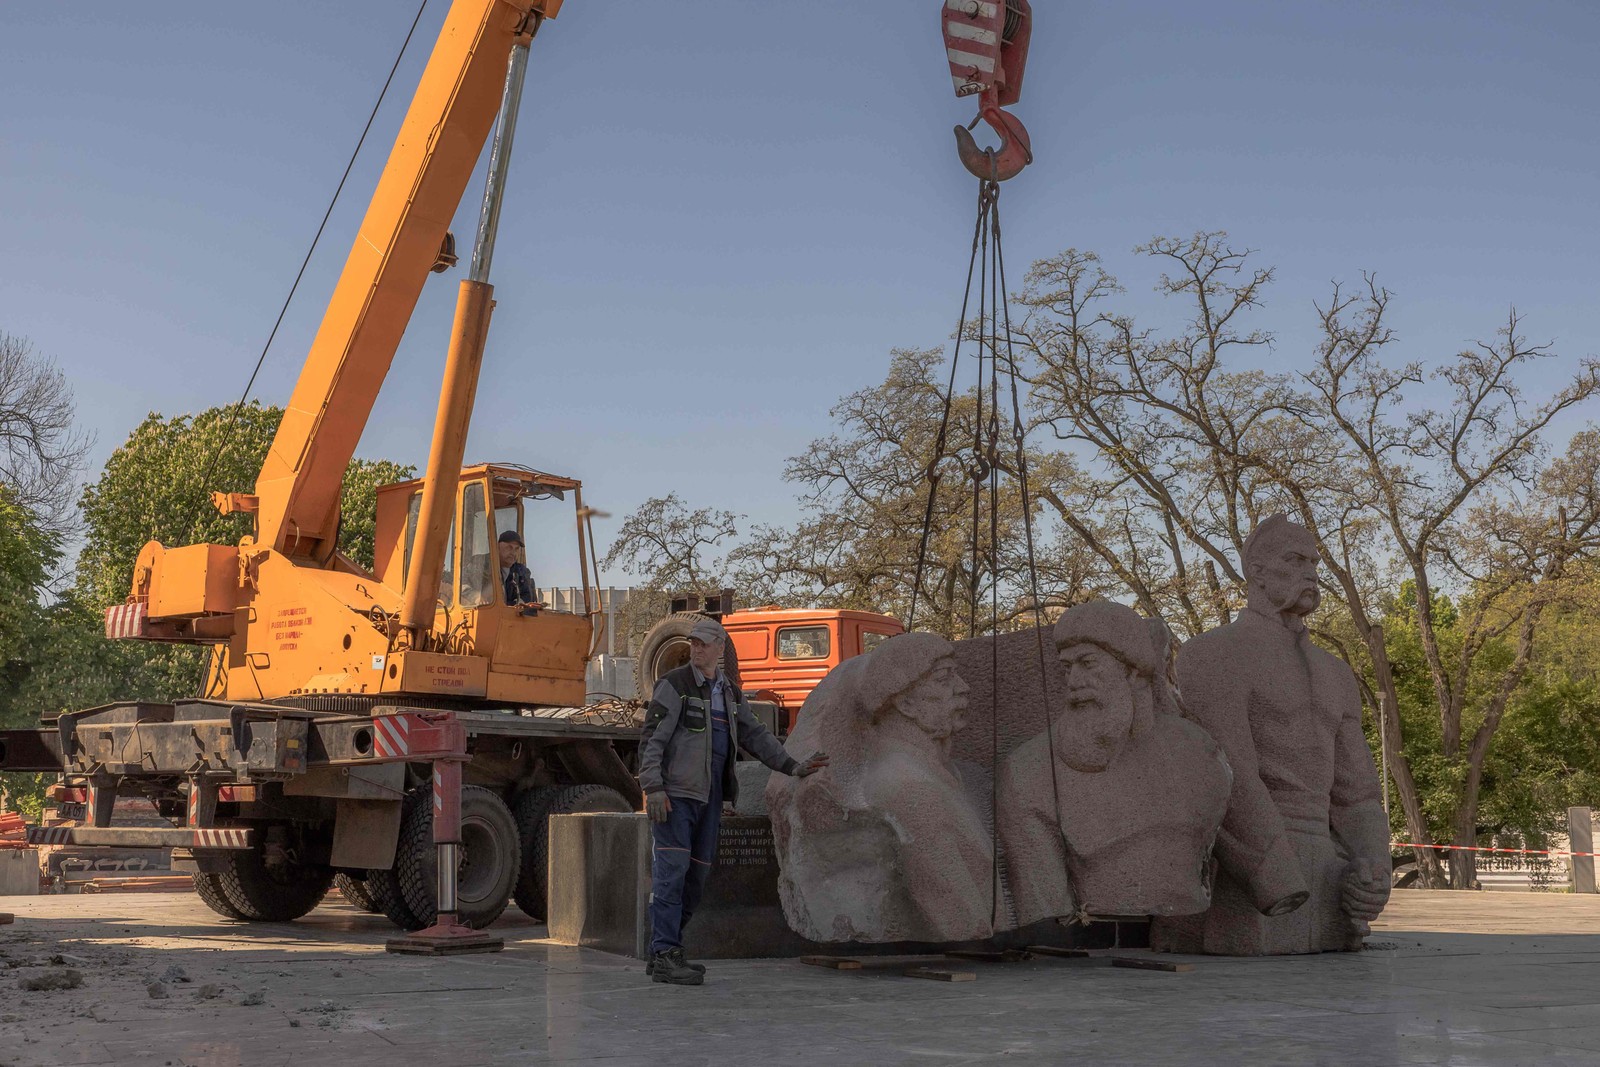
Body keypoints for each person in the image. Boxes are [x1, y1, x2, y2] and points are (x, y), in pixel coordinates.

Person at [1151, 514, 1391, 955]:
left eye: (1315, 563)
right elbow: (1230, 774)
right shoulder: (1214, 654)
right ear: (1255, 572)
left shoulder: (1336, 674)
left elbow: (1358, 794)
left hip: (1330, 882)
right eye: (1295, 559)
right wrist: (1276, 874)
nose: (1311, 572)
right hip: (1251, 881)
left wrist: (1374, 865)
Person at [997, 601, 1232, 924]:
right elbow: (1043, 909)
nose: (1073, 681)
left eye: (1088, 663)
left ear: (1133, 671)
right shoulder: (1029, 770)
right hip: (1088, 950)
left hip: (1184, 931)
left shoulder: (1196, 748)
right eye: (1067, 668)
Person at [766, 632, 994, 943]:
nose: (963, 688)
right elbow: (960, 915)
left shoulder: (943, 773)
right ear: (905, 702)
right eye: (944, 678)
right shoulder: (908, 786)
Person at [638, 617, 828, 985]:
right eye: (693, 643)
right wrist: (654, 788)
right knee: (671, 877)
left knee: (696, 879)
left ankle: (666, 949)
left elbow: (756, 736)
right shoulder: (673, 685)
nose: (695, 648)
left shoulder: (730, 693)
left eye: (703, 644)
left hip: (709, 799)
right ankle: (664, 954)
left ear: (720, 649)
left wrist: (793, 766)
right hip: (675, 798)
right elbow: (651, 741)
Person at [497, 530, 539, 610]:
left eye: (516, 549)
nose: (513, 552)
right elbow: (465, 586)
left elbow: (527, 596)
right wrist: (476, 596)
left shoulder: (521, 572)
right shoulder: (482, 565)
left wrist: (518, 604)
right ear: (497, 547)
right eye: (509, 547)